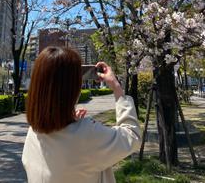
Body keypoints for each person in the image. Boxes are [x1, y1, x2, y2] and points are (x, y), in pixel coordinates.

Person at [22, 46, 141, 183]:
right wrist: (116, 86)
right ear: (71, 88)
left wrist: (67, 120)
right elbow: (132, 137)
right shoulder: (87, 134)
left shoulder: (33, 132)